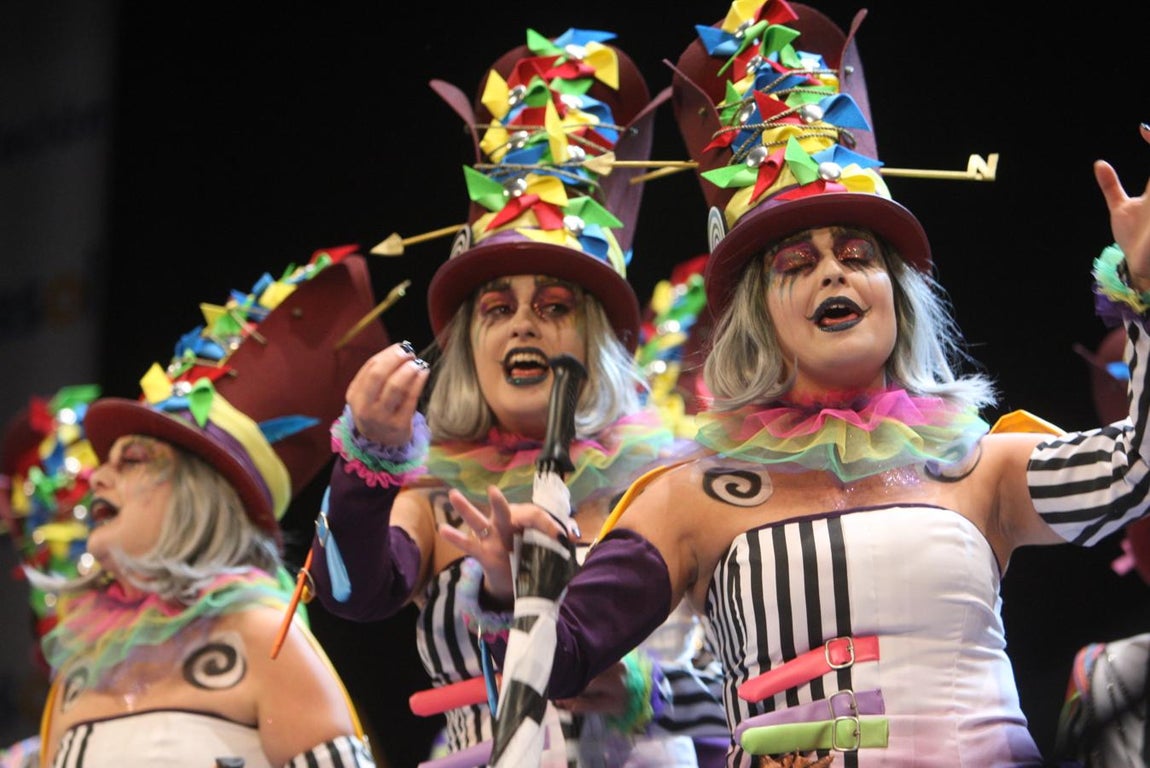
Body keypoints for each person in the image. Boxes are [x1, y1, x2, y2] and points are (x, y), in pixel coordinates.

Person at [457, 3, 1150, 766]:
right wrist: (511, 588)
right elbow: (556, 664)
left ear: (895, 294)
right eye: (797, 262)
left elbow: (1135, 471)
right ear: (758, 315)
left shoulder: (982, 467)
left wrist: (1144, 292)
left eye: (857, 254)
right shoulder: (690, 496)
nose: (832, 270)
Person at [305, 26, 727, 768]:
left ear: (595, 337)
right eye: (497, 308)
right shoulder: (439, 492)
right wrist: (364, 461)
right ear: (469, 342)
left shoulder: (667, 486)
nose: (524, 324)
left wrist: (641, 692)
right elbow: (346, 591)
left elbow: (740, 696)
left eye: (555, 305)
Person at [33, 248, 388, 767]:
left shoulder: (263, 638)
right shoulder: (81, 667)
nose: (99, 476)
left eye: (131, 460)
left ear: (197, 498)